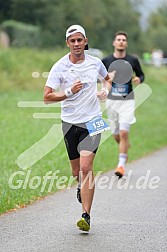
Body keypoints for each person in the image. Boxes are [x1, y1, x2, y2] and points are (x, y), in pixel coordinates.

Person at [43, 24, 113, 232]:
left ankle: (86, 216)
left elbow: (107, 79)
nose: (76, 44)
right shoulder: (60, 67)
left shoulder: (95, 63)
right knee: (76, 172)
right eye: (72, 41)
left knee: (85, 167)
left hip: (93, 120)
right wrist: (69, 92)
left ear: (85, 41)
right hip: (69, 122)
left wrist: (105, 91)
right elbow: (46, 97)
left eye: (79, 40)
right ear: (67, 43)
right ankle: (82, 187)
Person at [102, 31, 145, 178]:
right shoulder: (106, 60)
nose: (121, 42)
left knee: (124, 132)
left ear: (126, 43)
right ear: (114, 43)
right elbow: (99, 78)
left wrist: (139, 79)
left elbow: (141, 74)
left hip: (127, 100)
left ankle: (121, 165)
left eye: (123, 40)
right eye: (118, 39)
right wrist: (109, 78)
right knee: (116, 136)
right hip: (111, 101)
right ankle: (124, 146)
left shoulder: (132, 60)